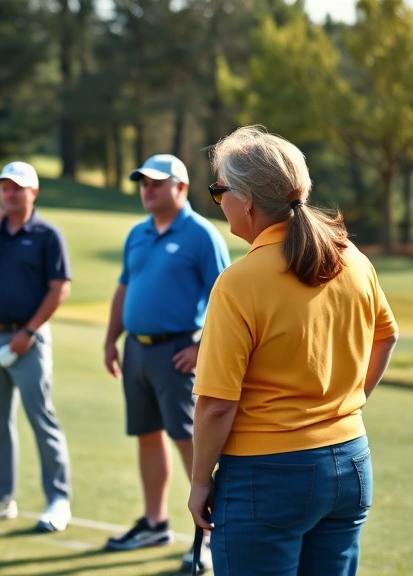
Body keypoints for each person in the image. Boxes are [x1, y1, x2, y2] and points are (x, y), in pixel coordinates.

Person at [187, 126, 398, 575]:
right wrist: (345, 406)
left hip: (267, 475)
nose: (217, 200)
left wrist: (199, 482)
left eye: (218, 189)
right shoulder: (353, 259)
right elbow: (386, 336)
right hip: (351, 461)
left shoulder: (239, 282)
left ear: (245, 199)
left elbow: (216, 406)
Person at [103, 154, 229, 571]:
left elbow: (225, 301)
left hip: (178, 353)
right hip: (137, 351)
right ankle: (155, 522)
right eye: (143, 183)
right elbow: (125, 288)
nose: (147, 189)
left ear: (180, 187)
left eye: (156, 183)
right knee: (146, 435)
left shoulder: (201, 235)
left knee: (191, 444)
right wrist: (111, 339)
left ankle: (211, 536)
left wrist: (200, 346)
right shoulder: (138, 233)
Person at [0, 161, 74, 533]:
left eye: (16, 188)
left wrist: (30, 331)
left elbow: (60, 289)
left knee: (42, 419)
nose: (9, 193)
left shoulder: (47, 235)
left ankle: (58, 499)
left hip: (29, 340)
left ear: (33, 193)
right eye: (4, 187)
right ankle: (0, 497)